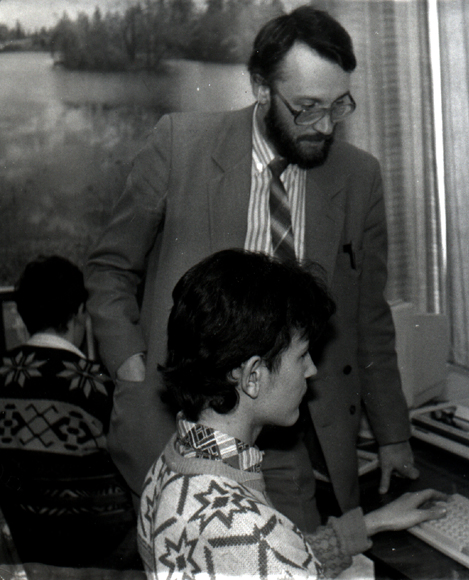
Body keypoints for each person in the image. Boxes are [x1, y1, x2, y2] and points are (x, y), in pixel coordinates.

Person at [85, 5, 417, 532]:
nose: (325, 126)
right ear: (261, 88)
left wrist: (393, 433)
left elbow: (368, 317)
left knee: (299, 557)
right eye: (306, 108)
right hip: (177, 424)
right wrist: (131, 364)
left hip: (283, 433)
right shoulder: (179, 145)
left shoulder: (359, 177)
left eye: (339, 105)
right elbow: (110, 268)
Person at [138, 249, 469, 580]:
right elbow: (264, 553)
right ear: (252, 376)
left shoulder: (174, 465)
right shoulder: (248, 531)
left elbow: (267, 562)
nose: (312, 370)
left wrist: (368, 525)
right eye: (301, 356)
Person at [0, 256, 136, 568]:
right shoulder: (98, 384)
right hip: (100, 558)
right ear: (79, 312)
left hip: (25, 551)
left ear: (23, 313)